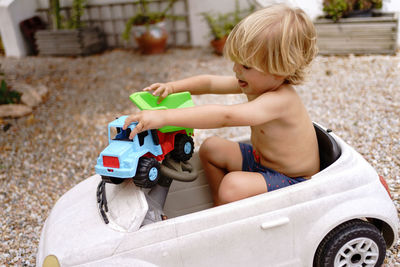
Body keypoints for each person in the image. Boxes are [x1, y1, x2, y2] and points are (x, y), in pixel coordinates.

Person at [123, 4, 320, 206]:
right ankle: (221, 204)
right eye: (236, 61)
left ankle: (225, 205)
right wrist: (172, 87)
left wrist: (164, 117)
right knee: (211, 148)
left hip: (293, 179)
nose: (236, 70)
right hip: (262, 162)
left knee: (232, 185)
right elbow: (209, 83)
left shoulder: (280, 100)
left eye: (245, 66)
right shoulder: (260, 82)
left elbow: (226, 116)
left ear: (280, 70)